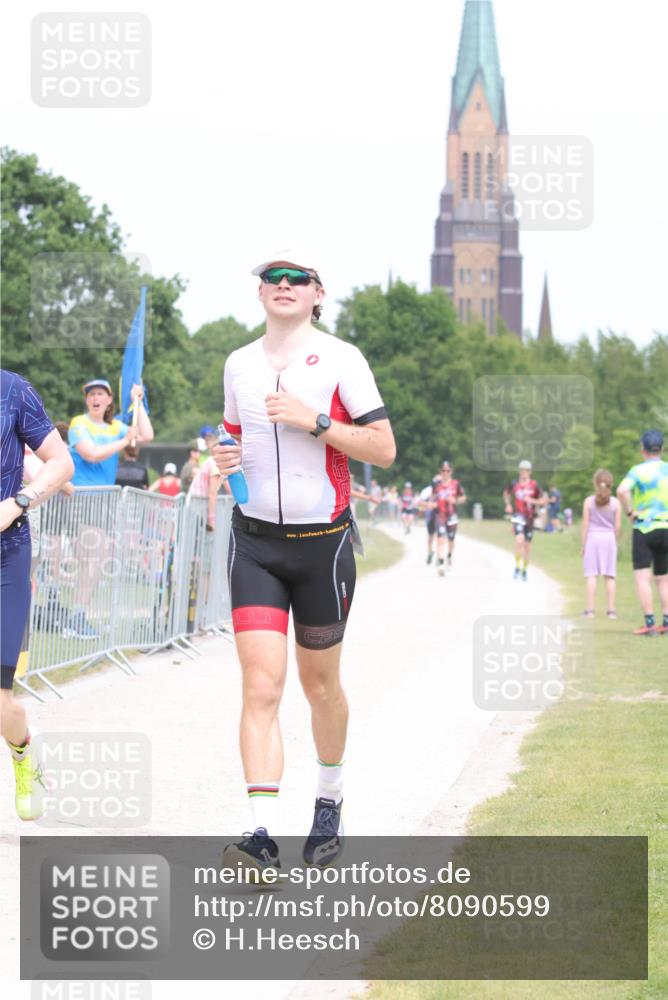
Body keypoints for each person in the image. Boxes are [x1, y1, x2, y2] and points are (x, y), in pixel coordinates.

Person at [214, 250, 395, 873]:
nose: (283, 286)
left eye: (297, 280)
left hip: (325, 545)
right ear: (259, 292)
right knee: (261, 685)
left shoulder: (343, 359)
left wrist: (313, 420)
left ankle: (329, 800)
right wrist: (223, 456)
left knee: (321, 687)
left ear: (319, 294)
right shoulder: (238, 362)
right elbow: (231, 434)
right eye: (273, 279)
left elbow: (384, 448)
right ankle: (262, 835)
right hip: (256, 543)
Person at [1, 370, 74, 820]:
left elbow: (62, 463)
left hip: (6, 554)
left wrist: (18, 502)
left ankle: (24, 753)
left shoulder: (12, 390)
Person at [616, 430, 668, 636]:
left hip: (644, 527)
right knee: (664, 579)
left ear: (642, 449)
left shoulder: (637, 471)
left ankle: (649, 623)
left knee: (642, 577)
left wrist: (630, 512)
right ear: (662, 449)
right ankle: (666, 621)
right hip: (666, 528)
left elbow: (621, 491)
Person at [68, 379, 153, 486]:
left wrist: (138, 402)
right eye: (91, 394)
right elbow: (91, 455)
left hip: (107, 495)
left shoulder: (116, 426)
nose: (95, 398)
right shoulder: (78, 423)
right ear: (86, 400)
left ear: (109, 399)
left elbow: (147, 436)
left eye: (100, 394)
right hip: (81, 495)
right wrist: (125, 440)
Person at [581, 470, 620, 619]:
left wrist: (583, 545)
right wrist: (614, 542)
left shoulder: (588, 501)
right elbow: (617, 526)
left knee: (591, 575)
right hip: (609, 539)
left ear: (595, 483)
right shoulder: (616, 503)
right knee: (610, 576)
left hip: (593, 538)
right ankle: (611, 611)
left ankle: (590, 611)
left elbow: (585, 525)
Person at [503, 460, 546, 581]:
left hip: (530, 518)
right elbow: (506, 493)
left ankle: (524, 570)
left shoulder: (534, 485)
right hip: (518, 515)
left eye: (526, 470)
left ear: (530, 472)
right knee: (519, 540)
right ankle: (517, 566)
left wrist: (532, 501)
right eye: (521, 470)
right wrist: (508, 504)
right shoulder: (514, 483)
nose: (523, 472)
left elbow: (543, 500)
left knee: (527, 546)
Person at [188, 429, 226, 530]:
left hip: (193, 506)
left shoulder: (210, 461)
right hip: (198, 509)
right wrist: (211, 519)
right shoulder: (215, 464)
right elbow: (212, 492)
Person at [438, 460, 467, 570]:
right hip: (440, 515)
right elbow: (431, 497)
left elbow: (463, 498)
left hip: (452, 515)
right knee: (441, 539)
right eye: (443, 470)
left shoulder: (456, 484)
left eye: (448, 470)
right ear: (440, 471)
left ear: (451, 471)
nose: (445, 472)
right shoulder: (437, 484)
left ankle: (449, 556)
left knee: (451, 539)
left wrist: (455, 500)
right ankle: (440, 563)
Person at [419, 475, 440, 564]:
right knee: (431, 535)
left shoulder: (444, 489)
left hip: (440, 515)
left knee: (440, 536)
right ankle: (430, 552)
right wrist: (429, 505)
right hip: (430, 515)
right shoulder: (427, 490)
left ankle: (439, 556)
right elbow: (420, 502)